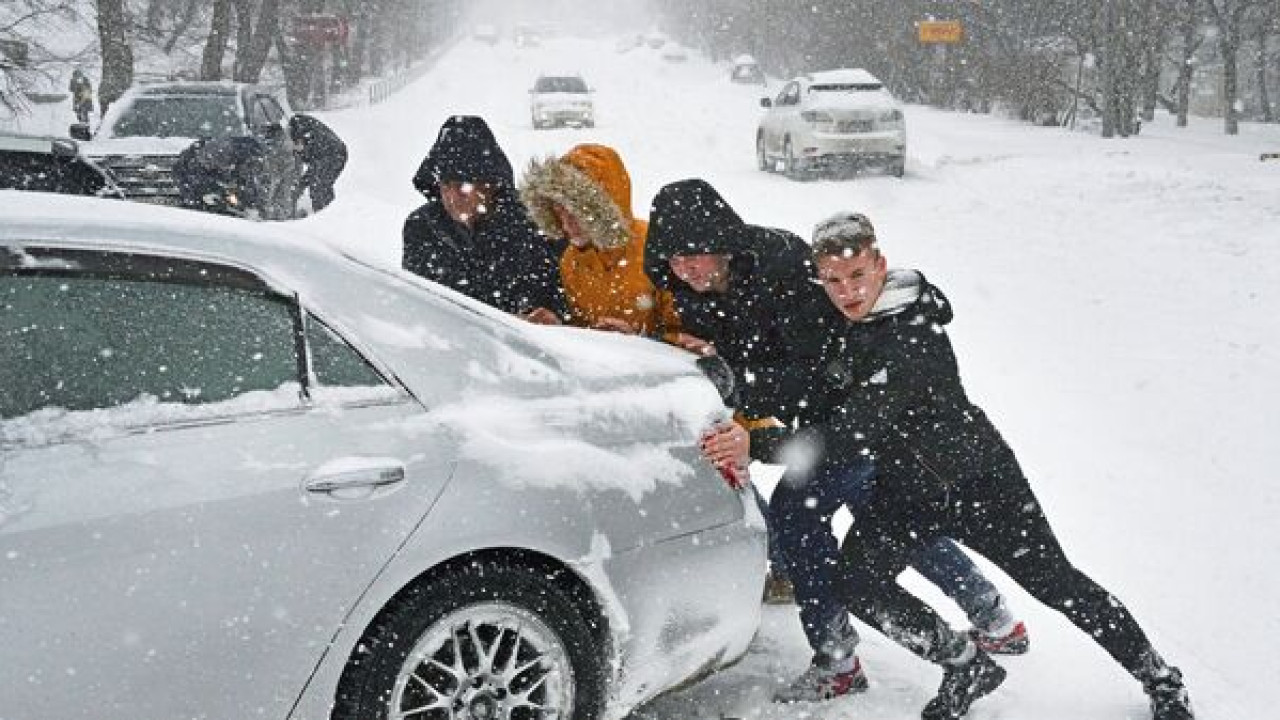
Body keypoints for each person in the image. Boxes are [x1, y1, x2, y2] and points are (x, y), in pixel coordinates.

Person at [710, 211, 1194, 719]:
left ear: (880, 264)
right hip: (906, 493)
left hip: (979, 483)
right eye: (833, 280)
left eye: (856, 276)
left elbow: (853, 432)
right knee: (856, 582)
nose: (846, 291)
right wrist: (734, 383)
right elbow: (815, 382)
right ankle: (966, 665)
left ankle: (1160, 678)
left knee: (1058, 584)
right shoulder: (852, 325)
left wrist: (759, 444)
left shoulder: (912, 331)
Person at [648, 181, 1027, 703]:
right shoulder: (699, 290)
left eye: (695, 254)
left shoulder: (778, 269)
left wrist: (743, 385)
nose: (687, 269)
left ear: (722, 240)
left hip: (854, 413)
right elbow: (752, 356)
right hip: (835, 419)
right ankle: (991, 614)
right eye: (675, 259)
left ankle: (837, 659)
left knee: (799, 514)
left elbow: (814, 371)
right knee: (879, 508)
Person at [402, 115, 564, 317]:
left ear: (490, 185)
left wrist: (548, 317)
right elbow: (414, 303)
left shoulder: (533, 226)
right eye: (445, 185)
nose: (452, 197)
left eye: (462, 185)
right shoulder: (423, 228)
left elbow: (559, 302)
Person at [518, 143, 680, 338]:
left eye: (577, 213)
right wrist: (560, 327)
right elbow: (584, 329)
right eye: (560, 212)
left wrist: (640, 339)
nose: (567, 224)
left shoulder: (656, 246)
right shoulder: (571, 259)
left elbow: (686, 336)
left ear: (603, 209)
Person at [173, 136, 269, 218]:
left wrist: (253, 205)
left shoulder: (247, 154)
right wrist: (208, 191)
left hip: (207, 172)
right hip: (189, 173)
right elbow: (197, 175)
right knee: (200, 204)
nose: (252, 163)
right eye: (251, 161)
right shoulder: (218, 153)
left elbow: (248, 180)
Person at [288, 113, 347, 211]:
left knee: (318, 186)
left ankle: (324, 215)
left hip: (334, 154)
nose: (295, 151)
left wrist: (300, 186)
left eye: (296, 146)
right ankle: (330, 212)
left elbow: (314, 169)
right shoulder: (299, 130)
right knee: (321, 184)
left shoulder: (314, 144)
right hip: (334, 151)